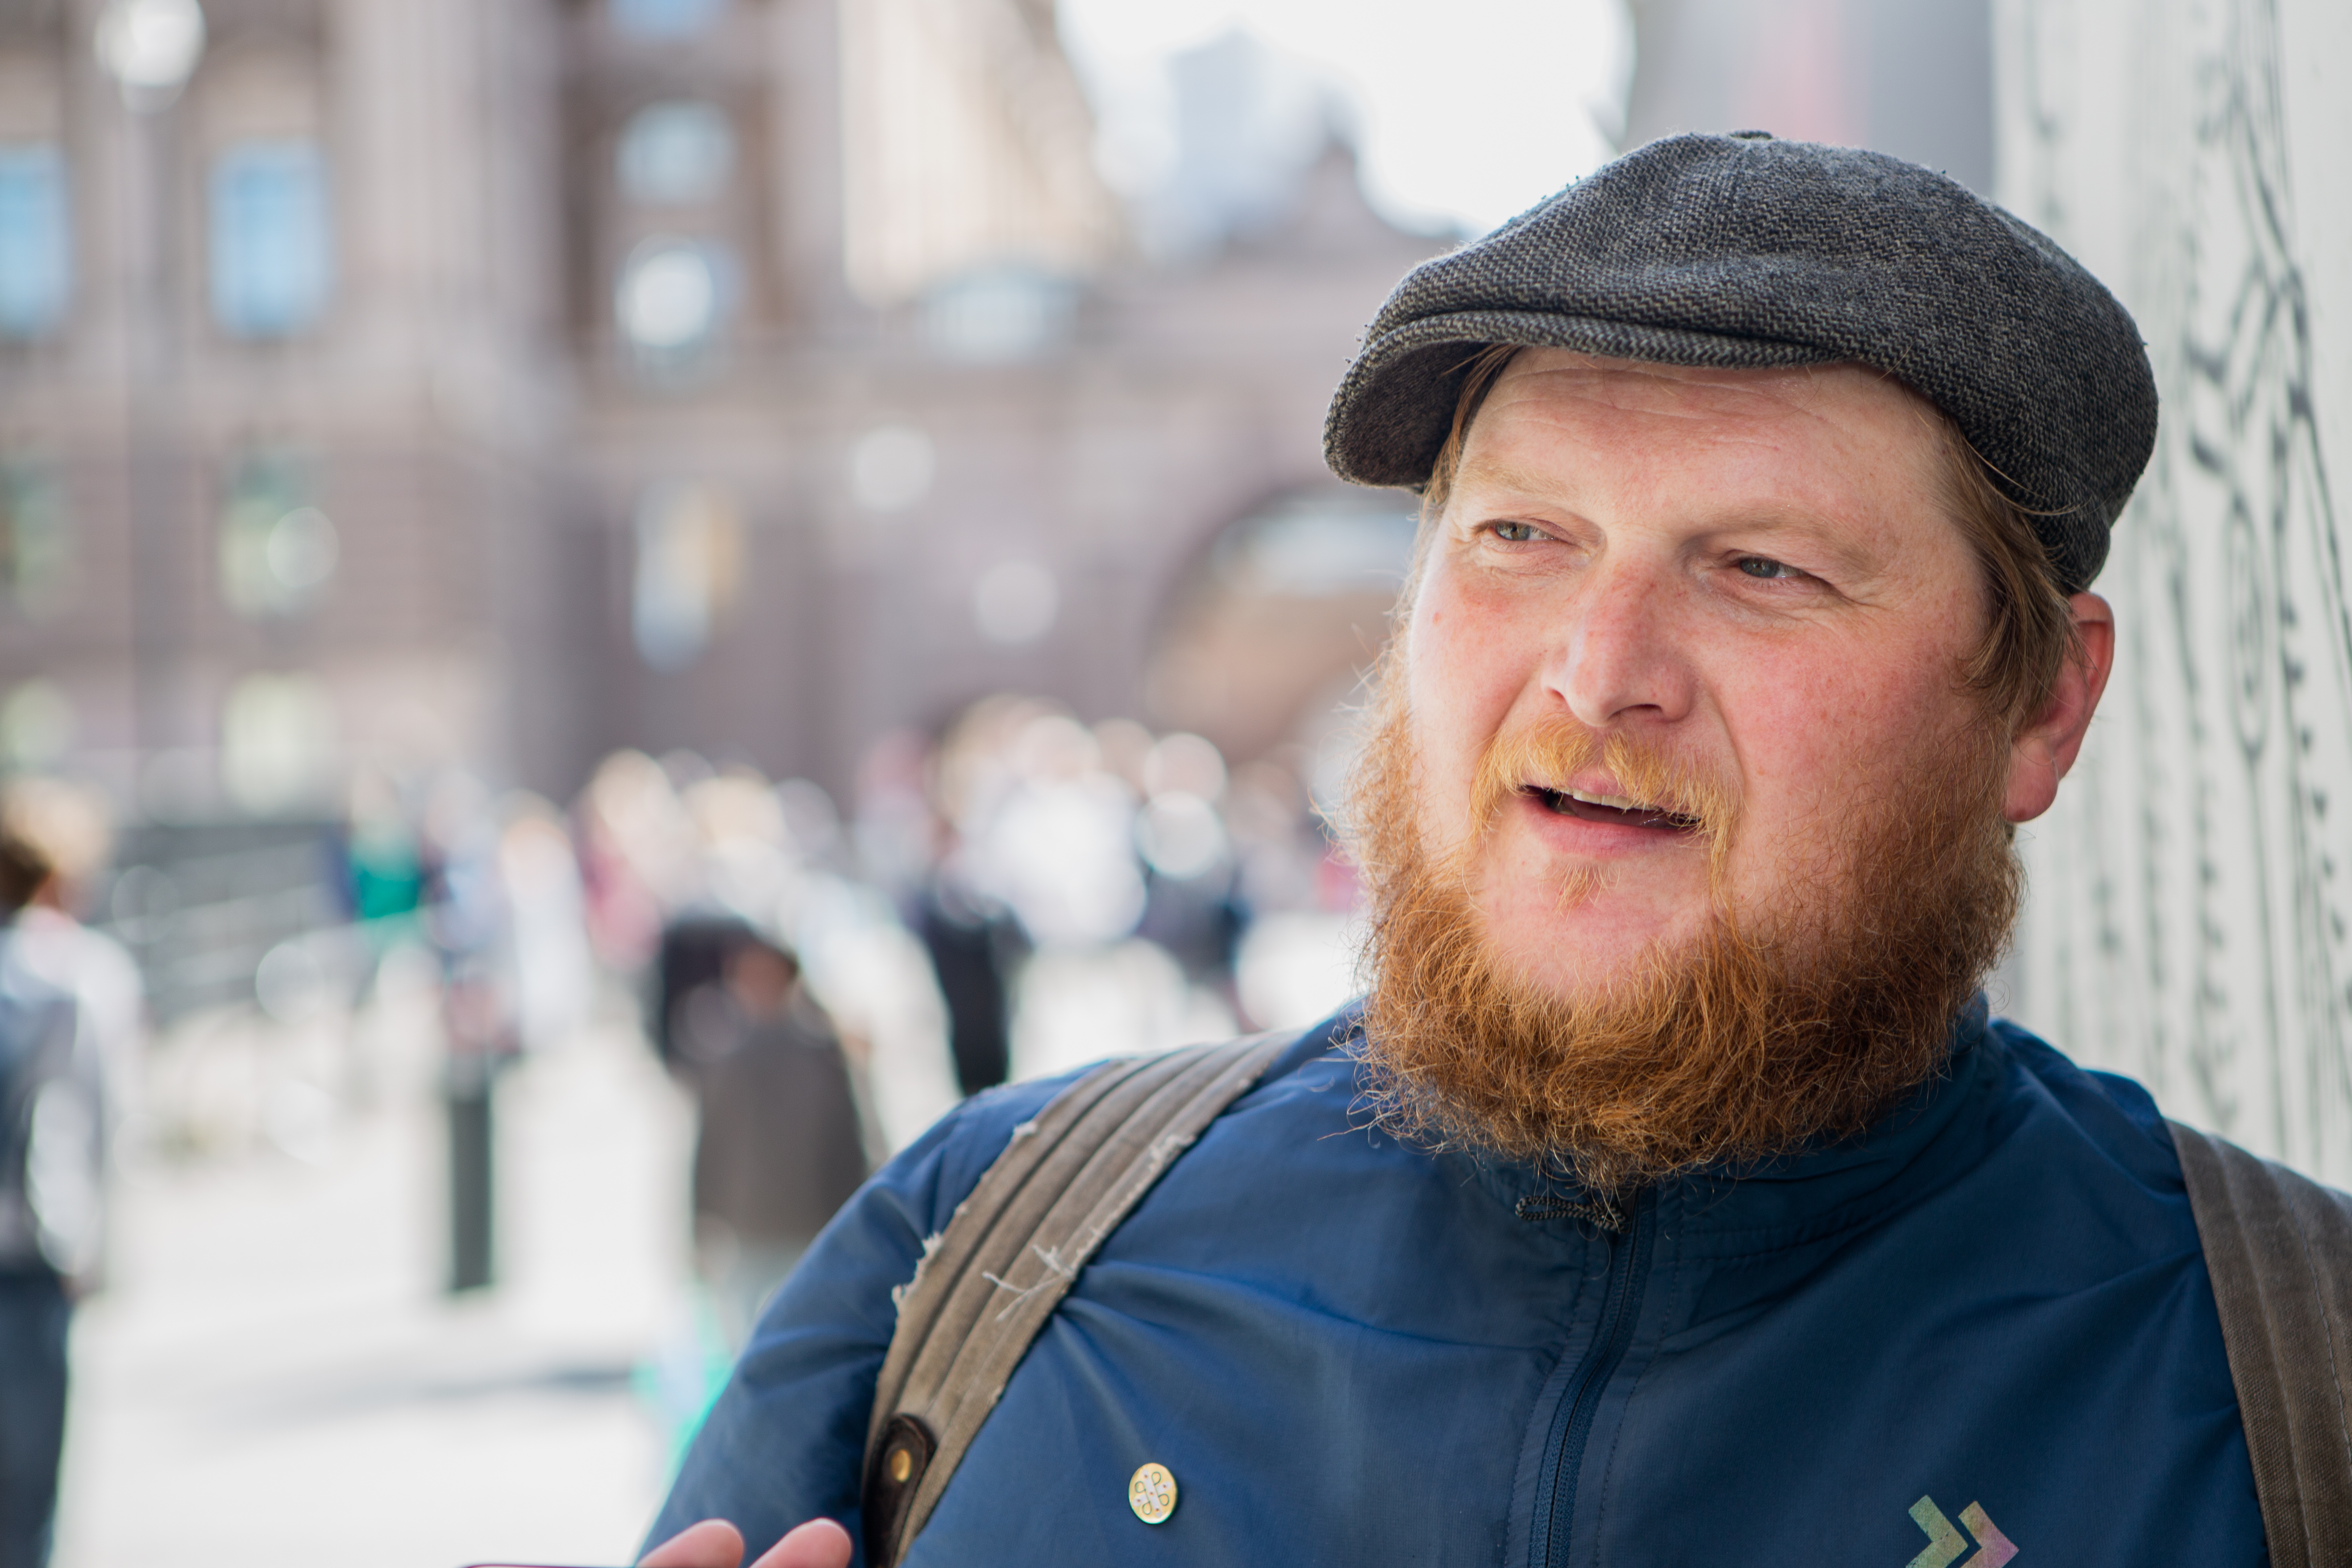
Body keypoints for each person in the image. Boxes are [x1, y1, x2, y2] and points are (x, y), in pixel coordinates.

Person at [638, 133, 2279, 1566]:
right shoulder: (984, 1247)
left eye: (1765, 566)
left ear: (2044, 705)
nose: (1595, 668)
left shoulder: (2286, 1390)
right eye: (1521, 537)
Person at [667, 922, 869, 1347]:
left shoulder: (822, 1052)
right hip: (747, 1226)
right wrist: (697, 1223)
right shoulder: (725, 1052)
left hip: (809, 1223)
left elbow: (851, 1144)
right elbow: (709, 1145)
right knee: (743, 1345)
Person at [0, 827, 108, 1568]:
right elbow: (82, 1124)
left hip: (28, 1251)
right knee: (29, 1501)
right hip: (28, 1254)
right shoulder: (56, 986)